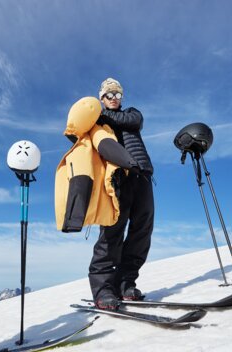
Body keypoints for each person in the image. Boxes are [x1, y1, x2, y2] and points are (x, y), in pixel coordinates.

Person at [89, 78, 155, 310]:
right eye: (109, 95)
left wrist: (103, 115)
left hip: (142, 175)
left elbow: (133, 120)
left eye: (118, 94)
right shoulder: (95, 122)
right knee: (112, 232)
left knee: (142, 231)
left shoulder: (130, 114)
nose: (115, 98)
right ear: (101, 98)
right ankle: (104, 289)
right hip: (116, 179)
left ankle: (126, 283)